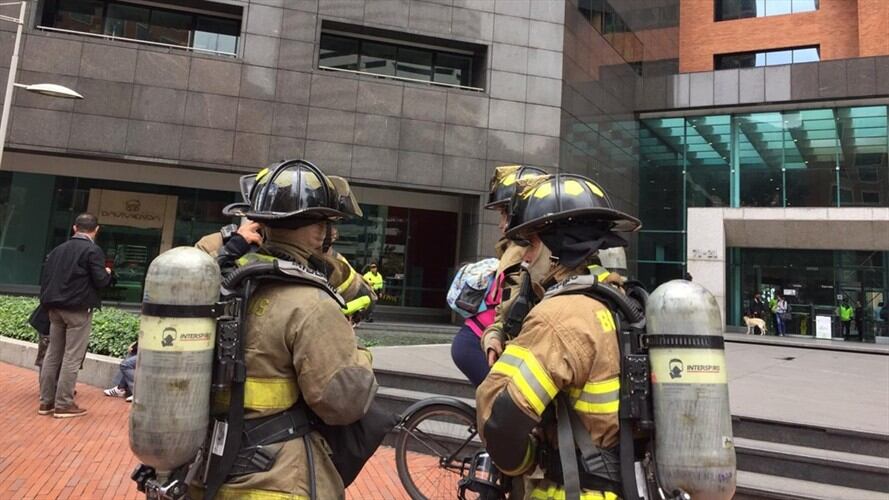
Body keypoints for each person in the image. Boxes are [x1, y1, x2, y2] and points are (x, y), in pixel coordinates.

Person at [197, 160, 378, 498]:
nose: (331, 234)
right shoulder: (311, 304)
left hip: (211, 469)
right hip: (277, 480)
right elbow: (344, 403)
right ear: (318, 230)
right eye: (328, 225)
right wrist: (358, 352)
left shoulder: (221, 281)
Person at [476, 174, 641, 499]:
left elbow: (499, 422)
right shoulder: (620, 300)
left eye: (532, 244)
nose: (524, 257)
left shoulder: (558, 317)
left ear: (559, 247)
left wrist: (529, 462)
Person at [451, 165, 548, 388]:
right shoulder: (521, 249)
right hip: (483, 340)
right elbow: (512, 307)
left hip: (479, 338)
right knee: (505, 402)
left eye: (505, 214)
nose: (500, 224)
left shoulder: (518, 246)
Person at [37, 213, 113, 418]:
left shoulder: (58, 250)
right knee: (72, 357)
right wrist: (107, 272)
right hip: (77, 309)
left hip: (54, 308)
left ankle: (46, 402)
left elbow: (46, 279)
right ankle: (63, 404)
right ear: (96, 230)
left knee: (52, 354)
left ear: (74, 228)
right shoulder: (92, 250)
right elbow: (100, 281)